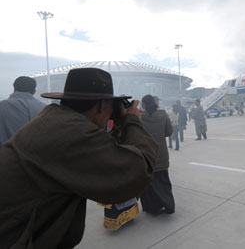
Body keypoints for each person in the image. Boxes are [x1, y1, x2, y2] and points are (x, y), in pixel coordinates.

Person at [0, 68, 158, 249]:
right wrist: (132, 121)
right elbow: (139, 170)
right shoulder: (73, 131)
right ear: (101, 106)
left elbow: (105, 151)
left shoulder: (55, 119)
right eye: (110, 107)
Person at [139, 94, 175, 214]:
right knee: (164, 182)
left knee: (149, 185)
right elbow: (169, 132)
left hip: (146, 155)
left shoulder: (139, 117)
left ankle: (153, 208)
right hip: (161, 154)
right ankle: (169, 206)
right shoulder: (163, 114)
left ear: (143, 104)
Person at [0, 76, 46, 148]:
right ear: (34, 91)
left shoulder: (2, 106)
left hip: (5, 157)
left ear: (14, 88)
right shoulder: (45, 108)